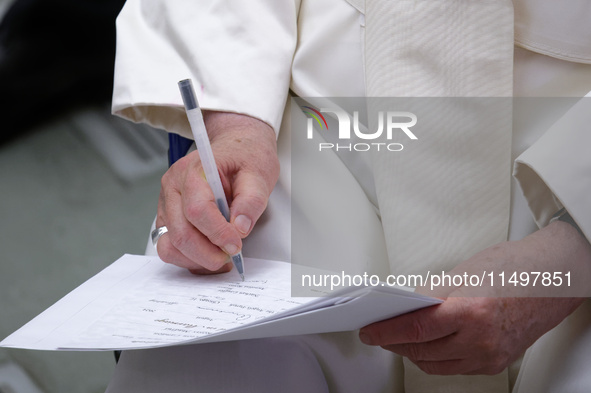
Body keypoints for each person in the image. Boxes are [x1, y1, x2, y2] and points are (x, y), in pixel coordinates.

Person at [108, 0, 591, 392]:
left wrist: (573, 253)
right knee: (217, 345)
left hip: (564, 153)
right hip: (323, 107)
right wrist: (236, 128)